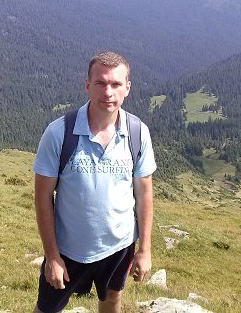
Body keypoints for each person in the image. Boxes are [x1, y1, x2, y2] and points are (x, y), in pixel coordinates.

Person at [32, 51, 156, 313]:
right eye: (100, 83)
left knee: (111, 298)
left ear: (127, 88)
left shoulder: (137, 132)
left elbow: (144, 193)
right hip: (68, 248)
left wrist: (144, 250)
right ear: (87, 84)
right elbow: (43, 197)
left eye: (116, 84)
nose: (108, 92)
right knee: (48, 308)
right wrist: (52, 256)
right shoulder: (59, 133)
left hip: (119, 246)